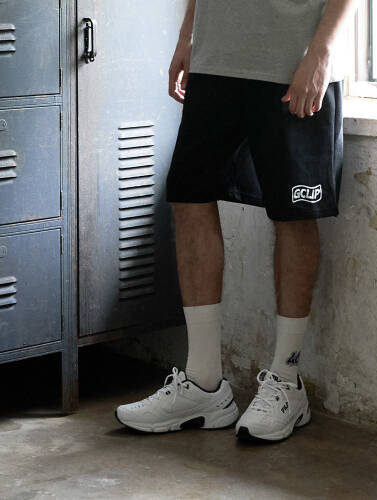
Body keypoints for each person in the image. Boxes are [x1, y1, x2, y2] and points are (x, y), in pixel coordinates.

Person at [116, 0, 357, 442]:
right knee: (189, 197)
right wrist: (188, 35)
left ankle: (287, 380)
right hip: (216, 59)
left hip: (293, 62)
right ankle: (203, 384)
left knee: (294, 215)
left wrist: (321, 51)